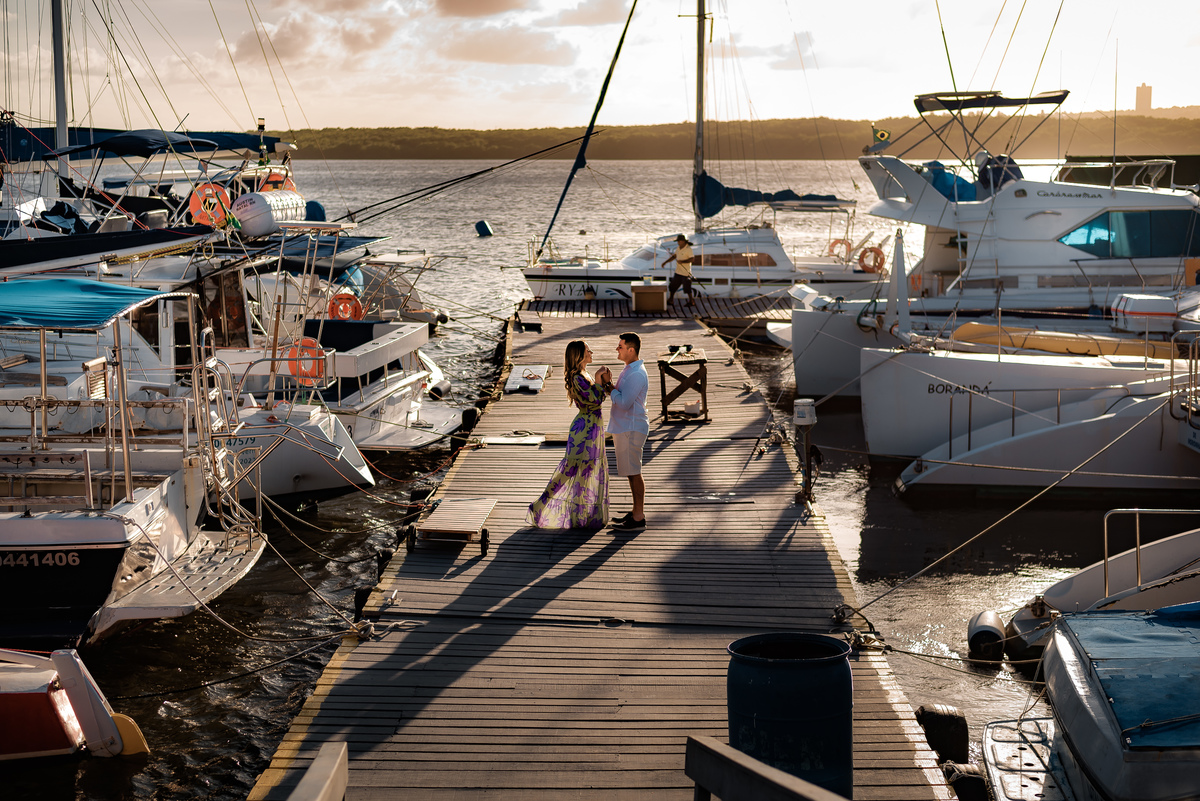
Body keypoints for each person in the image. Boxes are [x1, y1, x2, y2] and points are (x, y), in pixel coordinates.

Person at [527, 340, 609, 529]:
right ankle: (540, 506)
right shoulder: (576, 377)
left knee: (587, 472)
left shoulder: (584, 374)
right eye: (589, 350)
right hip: (584, 430)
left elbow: (599, 397)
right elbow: (595, 401)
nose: (592, 353)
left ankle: (581, 514)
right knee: (570, 471)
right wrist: (598, 379)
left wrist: (603, 382)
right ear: (579, 355)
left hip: (593, 428)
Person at [596, 332, 649, 531]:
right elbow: (621, 395)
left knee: (634, 472)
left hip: (631, 428)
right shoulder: (630, 369)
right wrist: (611, 386)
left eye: (620, 346)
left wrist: (609, 385)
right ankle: (636, 512)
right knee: (631, 471)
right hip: (626, 427)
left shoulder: (636, 373)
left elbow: (625, 403)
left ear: (631, 350)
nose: (617, 349)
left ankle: (638, 517)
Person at [663, 233, 695, 306]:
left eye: (680, 241)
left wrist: (682, 261)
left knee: (687, 288)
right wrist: (665, 262)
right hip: (678, 272)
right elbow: (674, 256)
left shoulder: (688, 249)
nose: (678, 242)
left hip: (686, 273)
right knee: (672, 286)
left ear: (684, 241)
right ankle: (671, 300)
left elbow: (692, 259)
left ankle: (691, 301)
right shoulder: (678, 248)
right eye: (678, 241)